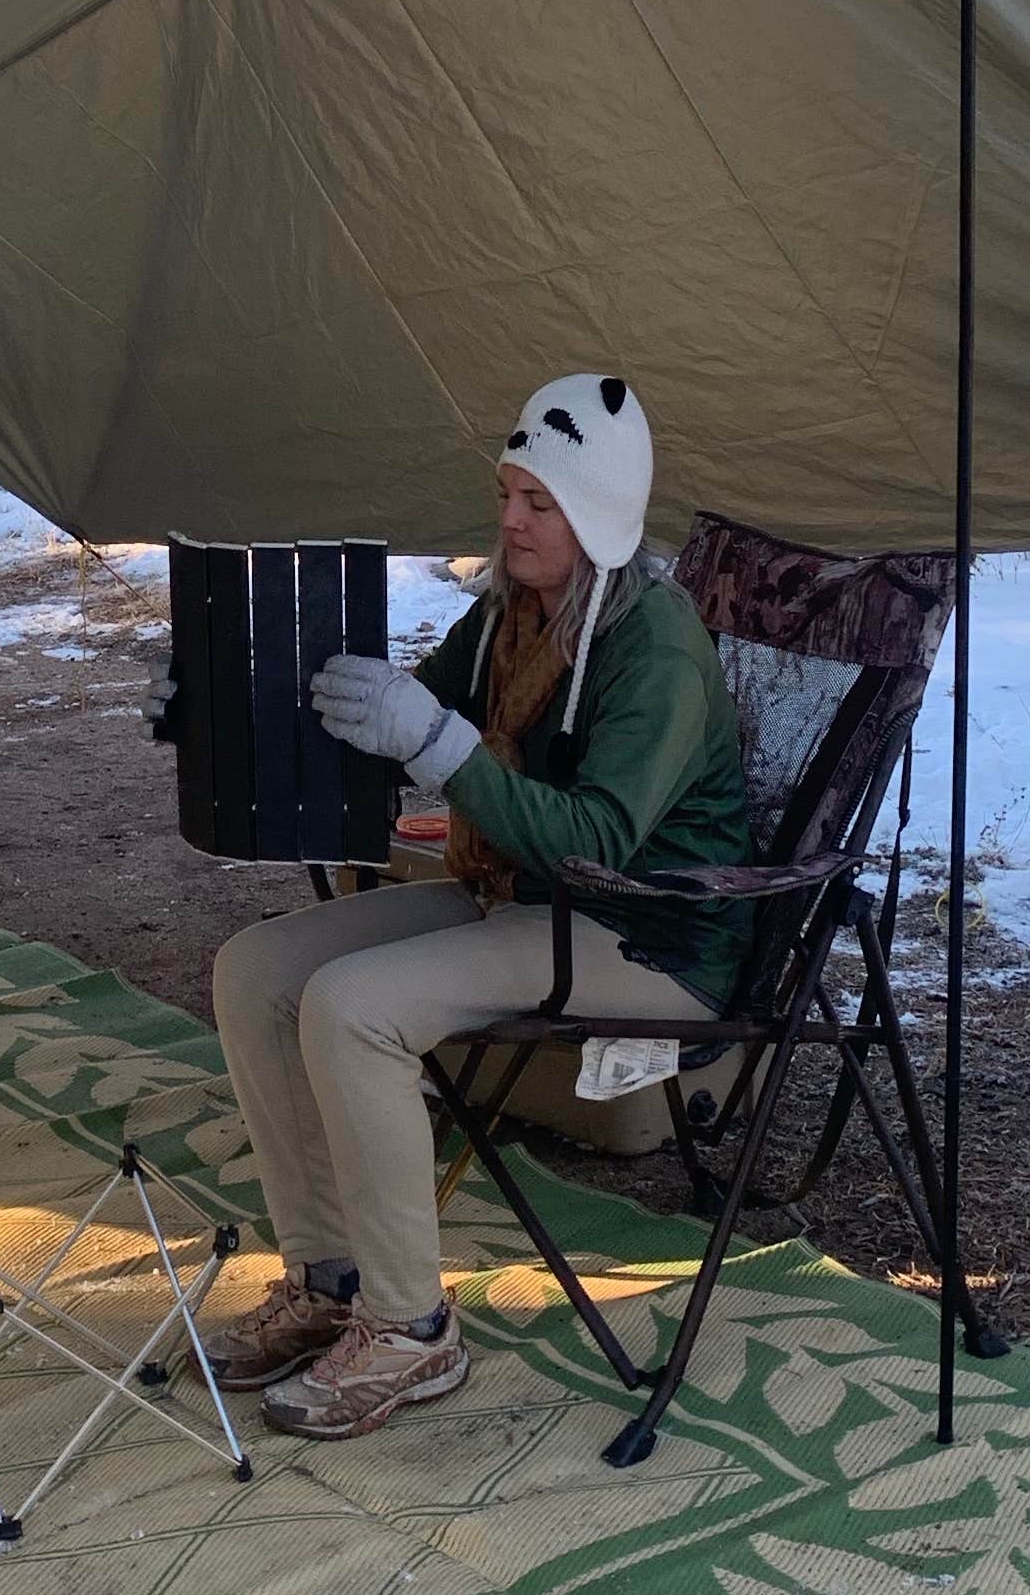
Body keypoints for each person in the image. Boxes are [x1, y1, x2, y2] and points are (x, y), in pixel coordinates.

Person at [206, 373, 752, 1441]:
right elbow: (404, 717)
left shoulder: (657, 649)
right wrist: (219, 705)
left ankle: (411, 1328)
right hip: (529, 897)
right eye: (508, 492)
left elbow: (595, 842)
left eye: (539, 503)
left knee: (354, 1007)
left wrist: (437, 744)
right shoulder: (516, 612)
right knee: (256, 973)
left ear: (596, 515)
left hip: (648, 932)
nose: (509, 519)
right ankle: (330, 1279)